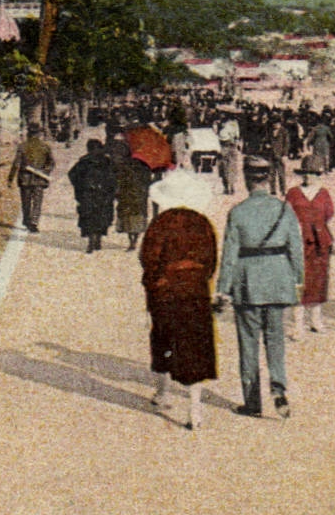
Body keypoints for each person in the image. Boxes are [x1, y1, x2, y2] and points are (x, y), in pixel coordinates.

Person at [216, 157, 303, 419]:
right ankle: (278, 388)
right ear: (268, 179)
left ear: (246, 179)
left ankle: (252, 401)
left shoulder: (238, 212)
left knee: (248, 342)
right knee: (275, 339)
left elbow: (229, 255)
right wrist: (297, 279)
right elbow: (295, 248)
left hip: (248, 282)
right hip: (278, 279)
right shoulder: (284, 210)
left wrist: (222, 289)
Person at [140, 194, 219, 430]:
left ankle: (163, 393)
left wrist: (152, 285)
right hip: (194, 292)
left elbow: (148, 258)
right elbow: (211, 261)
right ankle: (194, 409)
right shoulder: (202, 223)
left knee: (163, 340)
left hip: (165, 293)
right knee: (194, 348)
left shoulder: (161, 223)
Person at [285, 164, 335, 337]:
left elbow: (329, 216)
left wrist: (332, 240)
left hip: (320, 241)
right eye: (306, 173)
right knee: (299, 280)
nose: (309, 177)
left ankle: (316, 320)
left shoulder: (324, 193)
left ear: (318, 175)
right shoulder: (293, 193)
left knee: (318, 280)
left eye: (313, 173)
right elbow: (286, 216)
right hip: (298, 239)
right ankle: (298, 324)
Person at [69, 138, 118, 252]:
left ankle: (92, 240)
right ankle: (98, 239)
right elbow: (114, 177)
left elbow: (72, 175)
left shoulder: (84, 161)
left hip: (88, 193)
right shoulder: (107, 161)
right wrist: (112, 189)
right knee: (102, 216)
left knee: (89, 217)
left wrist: (80, 187)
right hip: (104, 194)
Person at [6, 127, 56, 234]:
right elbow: (51, 163)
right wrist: (44, 171)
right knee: (37, 201)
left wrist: (10, 178)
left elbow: (16, 164)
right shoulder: (45, 146)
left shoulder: (23, 146)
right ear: (39, 134)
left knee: (26, 201)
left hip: (25, 178)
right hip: (39, 178)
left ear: (29, 133)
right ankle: (34, 222)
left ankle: (27, 220)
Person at [114, 136, 153, 251]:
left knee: (128, 217)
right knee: (137, 215)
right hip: (139, 193)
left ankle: (131, 240)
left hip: (126, 192)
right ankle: (134, 239)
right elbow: (147, 179)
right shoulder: (144, 164)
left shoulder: (123, 164)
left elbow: (119, 178)